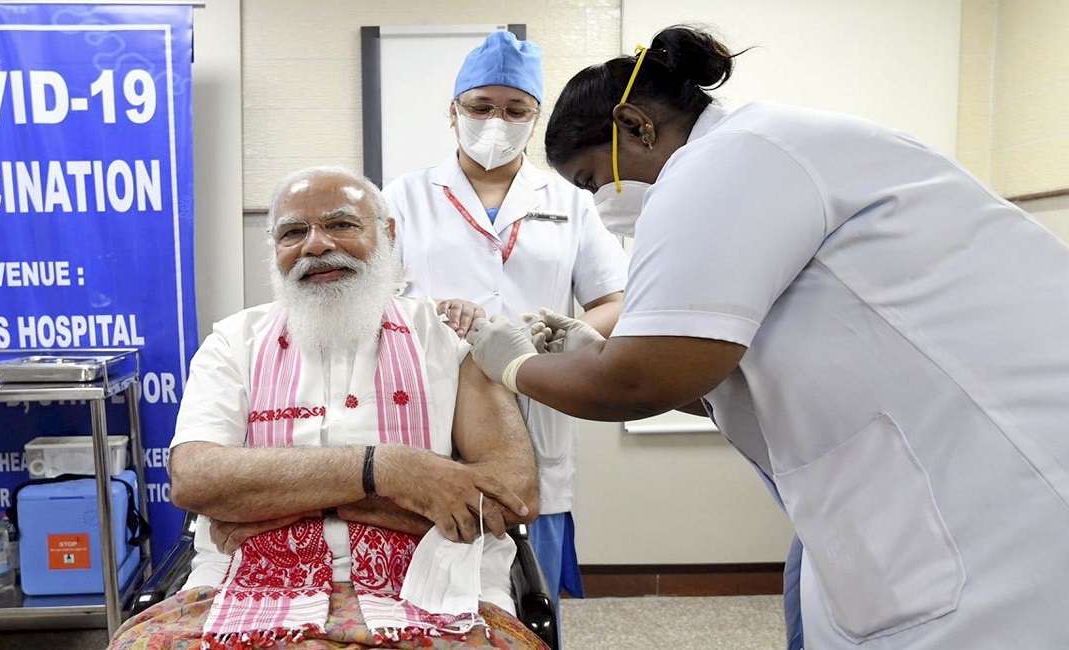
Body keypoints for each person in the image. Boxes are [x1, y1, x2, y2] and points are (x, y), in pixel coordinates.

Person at [465, 24, 1069, 650]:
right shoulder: (761, 151)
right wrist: (594, 353)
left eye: (592, 181)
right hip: (891, 476)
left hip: (991, 496)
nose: (600, 204)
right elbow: (713, 376)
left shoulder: (728, 161)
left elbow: (639, 381)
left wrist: (513, 362)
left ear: (636, 126)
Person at [110, 167, 545, 649]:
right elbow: (196, 479)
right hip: (245, 586)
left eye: (341, 225)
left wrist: (276, 500)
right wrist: (390, 471)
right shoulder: (234, 342)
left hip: (434, 588)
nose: (316, 245)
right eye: (294, 232)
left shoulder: (449, 337)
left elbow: (511, 493)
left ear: (388, 234)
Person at [383, 30, 628, 611]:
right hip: (431, 400)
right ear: (453, 113)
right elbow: (375, 305)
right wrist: (434, 320)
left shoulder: (570, 200)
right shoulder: (405, 197)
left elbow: (616, 299)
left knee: (530, 585)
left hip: (536, 396)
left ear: (535, 117)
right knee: (432, 587)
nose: (497, 120)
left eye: (515, 109)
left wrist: (562, 338)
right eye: (481, 106)